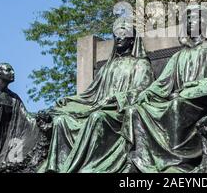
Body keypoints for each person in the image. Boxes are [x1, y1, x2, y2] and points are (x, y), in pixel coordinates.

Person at [120, 4, 207, 173]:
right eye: (187, 19)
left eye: (194, 18)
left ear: (205, 22)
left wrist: (195, 88)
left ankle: (178, 161)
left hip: (201, 103)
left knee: (176, 105)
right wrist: (146, 94)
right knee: (136, 111)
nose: (190, 22)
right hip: (178, 99)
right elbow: (161, 84)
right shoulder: (178, 56)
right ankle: (141, 161)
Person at [41, 17, 154, 173]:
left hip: (118, 113)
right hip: (98, 107)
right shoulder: (107, 68)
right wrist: (69, 100)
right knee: (61, 120)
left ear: (132, 40)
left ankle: (88, 167)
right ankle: (55, 167)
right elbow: (89, 95)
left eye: (124, 34)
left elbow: (143, 90)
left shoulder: (141, 64)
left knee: (97, 117)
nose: (119, 38)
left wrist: (117, 98)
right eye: (116, 35)